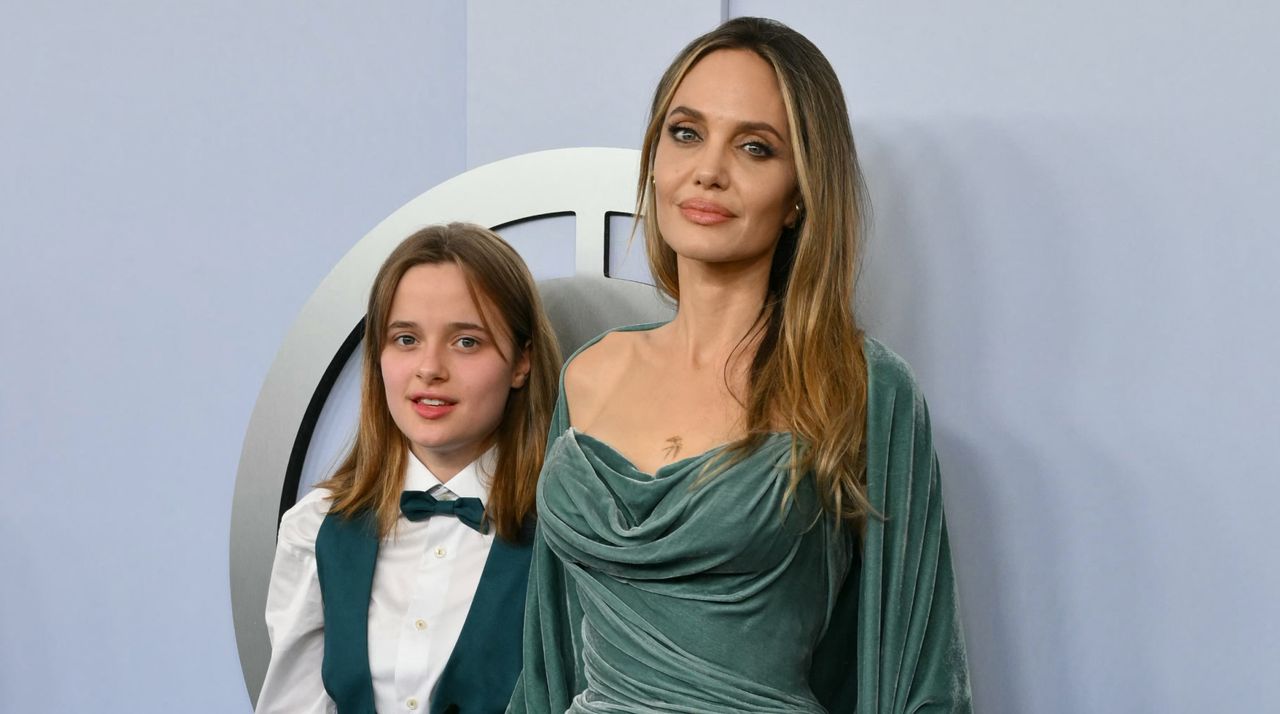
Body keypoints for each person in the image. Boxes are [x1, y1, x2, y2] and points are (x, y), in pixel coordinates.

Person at [508, 17, 972, 714]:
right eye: (685, 132)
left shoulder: (861, 386)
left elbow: (919, 672)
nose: (708, 171)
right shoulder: (588, 373)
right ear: (655, 157)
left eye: (755, 148)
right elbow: (547, 661)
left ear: (800, 195)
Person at [256, 223, 561, 714]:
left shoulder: (570, 534)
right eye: (405, 339)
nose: (429, 368)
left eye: (466, 342)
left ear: (522, 362)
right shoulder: (314, 529)